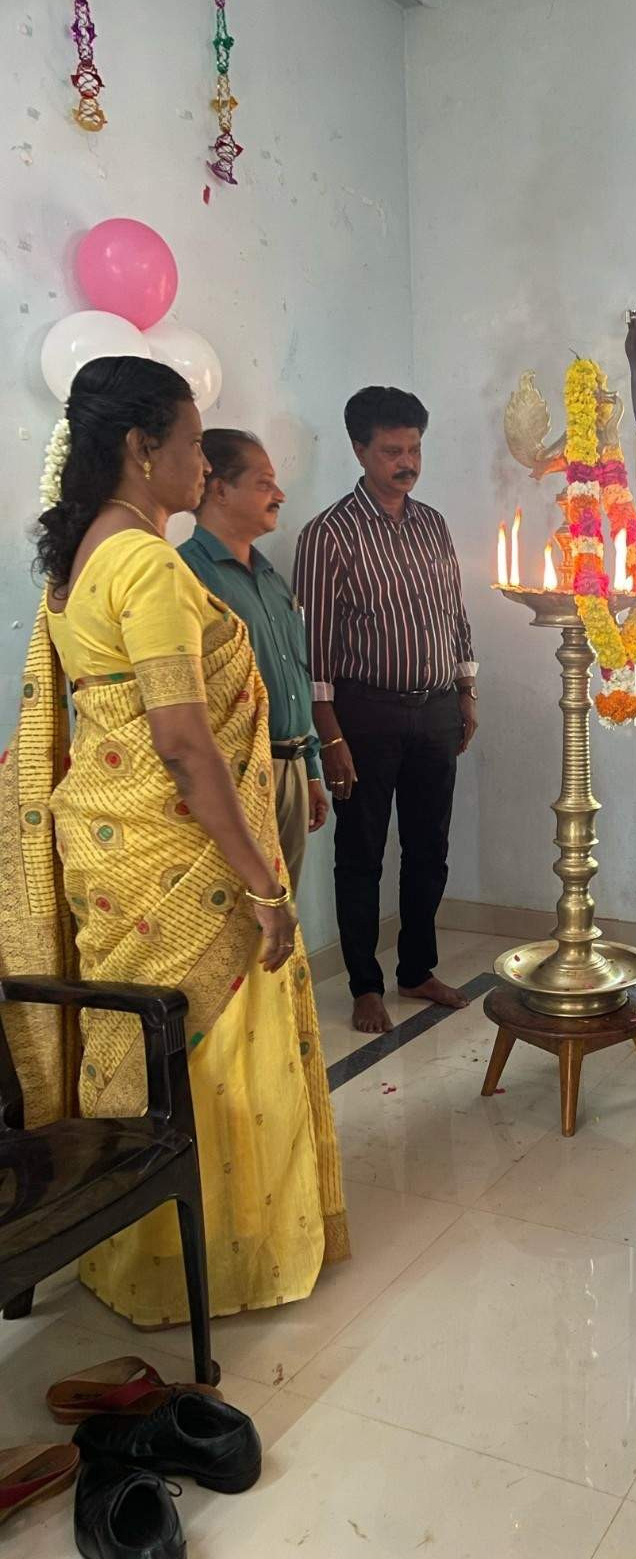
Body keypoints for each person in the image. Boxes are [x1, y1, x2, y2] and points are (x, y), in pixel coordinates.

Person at [0, 356, 347, 1329]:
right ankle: (229, 1259)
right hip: (178, 854)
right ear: (140, 447)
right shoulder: (147, 564)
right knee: (212, 1045)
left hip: (112, 846)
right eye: (193, 443)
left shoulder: (81, 560)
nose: (202, 461)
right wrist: (264, 886)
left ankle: (136, 1256)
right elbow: (184, 743)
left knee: (142, 1049)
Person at [293, 386, 478, 1036]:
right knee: (361, 853)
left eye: (415, 449)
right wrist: (330, 736)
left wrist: (466, 689)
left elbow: (454, 614)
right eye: (392, 451)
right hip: (364, 715)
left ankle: (417, 969)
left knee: (429, 847)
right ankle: (365, 985)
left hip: (436, 709)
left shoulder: (432, 524)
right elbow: (313, 647)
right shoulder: (328, 535)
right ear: (359, 451)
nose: (407, 463)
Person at [178, 430, 328, 892]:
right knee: (241, 914)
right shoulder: (187, 576)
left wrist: (311, 770)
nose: (279, 495)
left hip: (291, 767)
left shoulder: (272, 579)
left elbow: (297, 674)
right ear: (220, 489)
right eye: (264, 484)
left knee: (283, 909)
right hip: (236, 778)